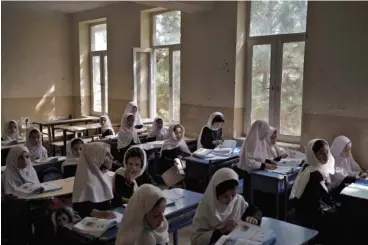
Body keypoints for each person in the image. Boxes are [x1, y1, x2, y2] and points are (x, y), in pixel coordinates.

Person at [191, 168, 262, 245]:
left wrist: (253, 218)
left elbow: (255, 211)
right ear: (215, 193)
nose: (230, 200)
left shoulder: (238, 200)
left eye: (233, 194)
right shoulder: (205, 209)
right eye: (225, 196)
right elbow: (196, 240)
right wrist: (221, 231)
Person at [289, 139, 339, 244]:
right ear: (313, 154)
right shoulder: (315, 173)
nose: (326, 156)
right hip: (309, 214)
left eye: (327, 152)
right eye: (321, 153)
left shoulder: (312, 166)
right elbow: (325, 196)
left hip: (309, 209)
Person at [72, 142, 116, 219]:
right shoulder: (86, 181)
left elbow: (110, 199)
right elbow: (78, 207)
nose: (112, 157)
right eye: (106, 155)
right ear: (94, 158)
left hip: (109, 220)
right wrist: (98, 213)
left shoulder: (104, 175)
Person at [236, 120, 277, 199]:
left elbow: (261, 156)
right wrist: (265, 165)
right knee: (249, 194)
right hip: (247, 171)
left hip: (256, 170)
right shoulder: (251, 141)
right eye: (265, 132)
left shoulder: (261, 139)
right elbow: (250, 162)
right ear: (260, 130)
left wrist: (269, 161)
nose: (266, 135)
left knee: (258, 194)